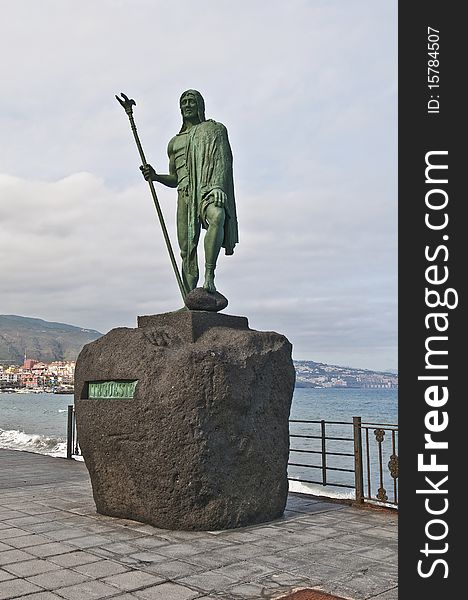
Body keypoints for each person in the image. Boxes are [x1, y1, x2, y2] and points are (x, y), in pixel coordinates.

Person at [141, 90, 238, 294]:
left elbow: (223, 161)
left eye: (191, 101)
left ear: (200, 106)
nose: (187, 105)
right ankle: (190, 299)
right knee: (186, 250)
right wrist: (155, 176)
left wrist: (218, 186)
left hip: (206, 189)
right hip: (184, 195)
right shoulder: (174, 143)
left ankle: (209, 276)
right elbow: (175, 178)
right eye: (183, 102)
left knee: (217, 215)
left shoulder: (213, 130)